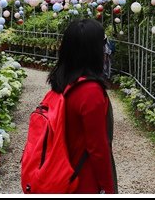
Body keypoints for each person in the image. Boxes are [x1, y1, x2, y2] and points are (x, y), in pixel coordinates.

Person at [47, 18, 117, 194]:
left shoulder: (64, 83)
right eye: (103, 42)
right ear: (93, 49)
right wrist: (108, 188)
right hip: (83, 179)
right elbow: (98, 148)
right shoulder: (90, 91)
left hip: (62, 171)